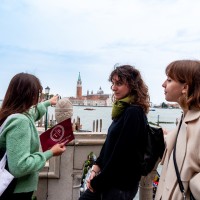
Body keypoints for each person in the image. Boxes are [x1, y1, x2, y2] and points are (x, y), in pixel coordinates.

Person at [79, 65, 150, 200]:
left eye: (119, 83)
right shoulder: (123, 109)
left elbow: (122, 153)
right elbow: (109, 145)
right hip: (108, 181)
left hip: (119, 186)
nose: (113, 88)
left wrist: (98, 182)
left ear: (132, 85)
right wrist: (96, 167)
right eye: (113, 83)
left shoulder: (133, 112)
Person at [0, 72, 66, 200]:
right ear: (29, 95)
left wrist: (48, 103)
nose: (39, 97)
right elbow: (20, 166)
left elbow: (32, 114)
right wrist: (50, 153)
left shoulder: (10, 114)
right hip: (15, 190)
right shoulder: (20, 121)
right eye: (38, 94)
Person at [155, 60, 200, 200]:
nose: (163, 84)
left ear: (185, 87)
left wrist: (192, 185)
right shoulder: (185, 117)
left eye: (169, 80)